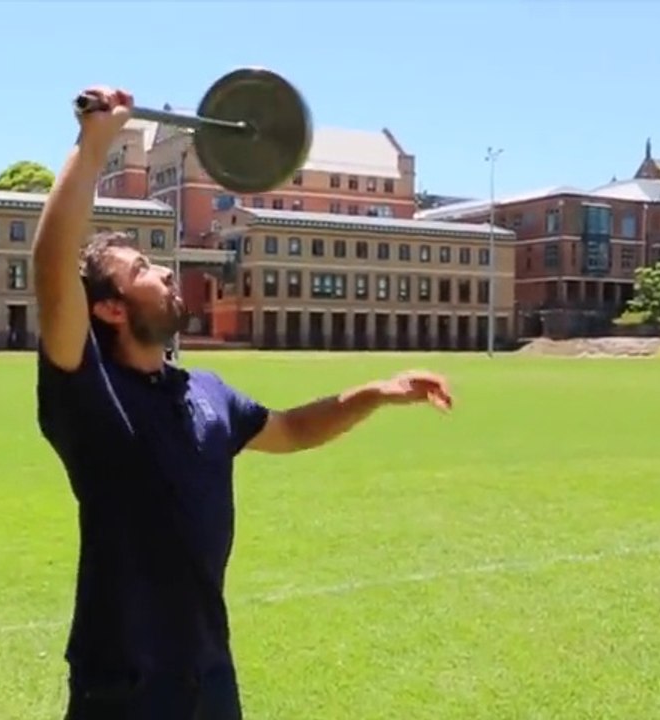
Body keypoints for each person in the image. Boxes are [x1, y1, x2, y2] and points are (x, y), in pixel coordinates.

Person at [33, 86, 454, 720]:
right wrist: (92, 146)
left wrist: (374, 393)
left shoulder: (207, 393)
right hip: (122, 685)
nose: (168, 272)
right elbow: (51, 264)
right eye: (143, 268)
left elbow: (290, 428)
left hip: (209, 677)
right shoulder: (89, 396)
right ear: (110, 309)